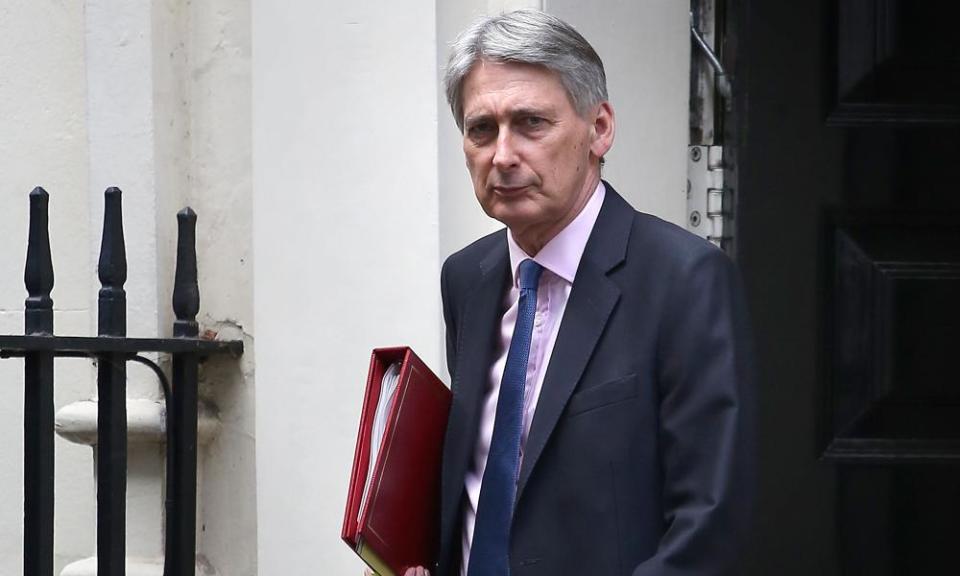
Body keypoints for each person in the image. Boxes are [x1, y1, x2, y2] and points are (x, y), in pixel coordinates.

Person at [433, 9, 755, 576]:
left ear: (599, 129)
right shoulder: (467, 278)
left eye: (531, 123)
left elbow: (711, 525)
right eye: (481, 129)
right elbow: (480, 481)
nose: (502, 155)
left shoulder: (683, 279)